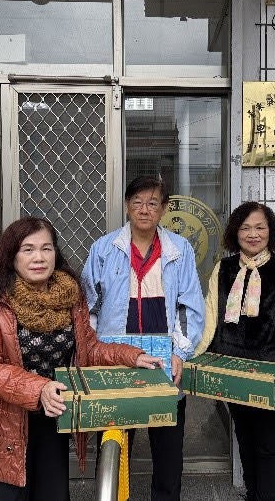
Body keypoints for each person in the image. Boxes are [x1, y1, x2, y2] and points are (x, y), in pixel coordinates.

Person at [0, 216, 162, 501]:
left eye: (46, 248)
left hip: (54, 416)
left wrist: (133, 356)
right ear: (11, 256)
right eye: (28, 249)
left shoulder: (69, 294)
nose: (39, 257)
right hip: (4, 424)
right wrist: (39, 388)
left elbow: (88, 348)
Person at [81, 175, 205, 501]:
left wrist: (180, 351)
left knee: (168, 450)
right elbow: (88, 307)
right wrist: (95, 351)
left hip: (164, 359)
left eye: (152, 203)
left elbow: (190, 307)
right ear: (127, 206)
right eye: (137, 202)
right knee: (114, 444)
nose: (144, 210)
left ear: (163, 208)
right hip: (116, 360)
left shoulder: (179, 250)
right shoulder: (104, 249)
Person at [194, 201, 275, 501]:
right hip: (231, 367)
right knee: (243, 435)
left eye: (259, 227)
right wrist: (194, 360)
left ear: (271, 232)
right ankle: (252, 493)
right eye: (245, 228)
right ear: (235, 233)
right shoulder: (224, 268)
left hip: (269, 369)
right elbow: (211, 317)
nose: (253, 234)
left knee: (268, 441)